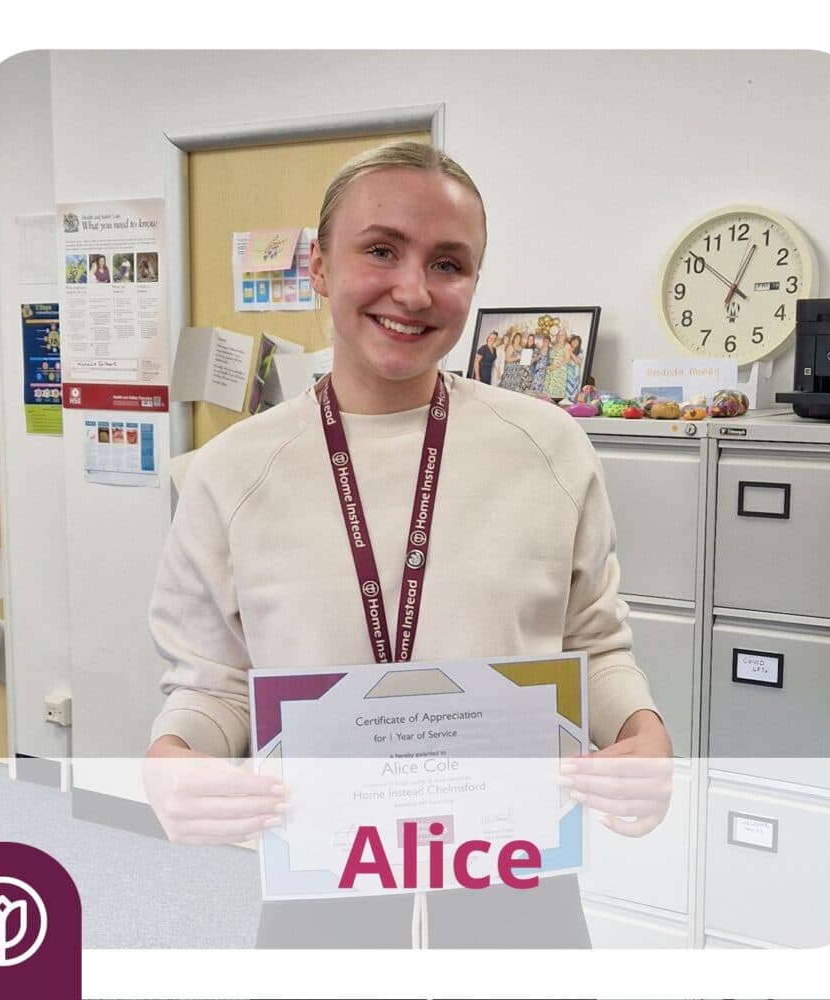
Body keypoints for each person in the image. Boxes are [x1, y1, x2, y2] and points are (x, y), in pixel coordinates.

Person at [145, 140, 671, 948]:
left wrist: (641, 732)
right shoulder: (231, 475)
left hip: (516, 882)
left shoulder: (548, 449)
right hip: (321, 887)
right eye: (381, 250)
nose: (413, 290)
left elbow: (592, 643)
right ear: (319, 266)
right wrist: (174, 759)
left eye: (449, 263)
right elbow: (214, 684)